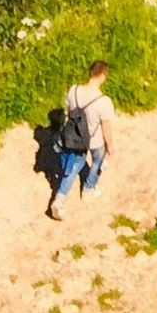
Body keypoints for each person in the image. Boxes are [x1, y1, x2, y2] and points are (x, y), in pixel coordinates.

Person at [48, 61, 114, 221]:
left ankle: (60, 199)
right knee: (97, 160)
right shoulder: (104, 102)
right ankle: (89, 189)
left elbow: (71, 113)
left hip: (76, 138)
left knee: (75, 166)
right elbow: (106, 127)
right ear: (103, 76)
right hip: (95, 140)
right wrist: (110, 146)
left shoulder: (73, 91)